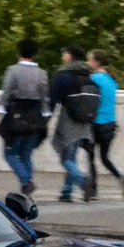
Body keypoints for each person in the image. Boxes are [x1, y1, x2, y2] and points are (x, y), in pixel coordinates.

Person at [0, 38, 50, 194]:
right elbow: (45, 99)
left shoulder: (13, 71)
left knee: (9, 153)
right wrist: (45, 120)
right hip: (35, 117)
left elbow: (5, 95)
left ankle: (26, 181)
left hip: (15, 117)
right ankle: (27, 185)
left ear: (18, 52)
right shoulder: (42, 74)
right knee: (26, 154)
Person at [49, 48, 97, 203]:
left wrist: (46, 118)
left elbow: (53, 99)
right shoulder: (87, 74)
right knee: (72, 156)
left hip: (69, 120)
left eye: (64, 53)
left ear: (69, 56)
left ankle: (83, 181)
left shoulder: (64, 75)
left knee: (66, 158)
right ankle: (66, 191)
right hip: (85, 122)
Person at [87, 48, 124, 199]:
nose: (88, 63)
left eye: (90, 60)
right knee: (105, 158)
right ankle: (119, 176)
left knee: (90, 156)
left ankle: (93, 190)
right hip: (110, 124)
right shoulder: (112, 81)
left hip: (95, 123)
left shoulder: (93, 79)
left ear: (96, 62)